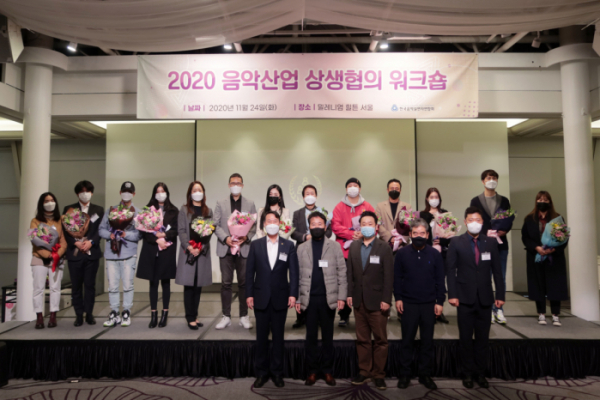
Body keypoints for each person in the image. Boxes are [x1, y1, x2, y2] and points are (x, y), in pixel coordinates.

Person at [446, 206, 505, 389]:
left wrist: (500, 295)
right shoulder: (456, 242)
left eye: (478, 220)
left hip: (485, 298)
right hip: (464, 298)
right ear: (465, 222)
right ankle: (467, 373)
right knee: (465, 339)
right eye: (471, 220)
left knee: (482, 339)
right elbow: (450, 270)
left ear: (483, 222)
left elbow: (497, 271)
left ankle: (480, 373)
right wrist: (452, 294)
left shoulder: (491, 242)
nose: (474, 223)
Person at [246, 210, 299, 388]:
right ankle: (261, 373)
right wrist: (249, 294)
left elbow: (294, 272)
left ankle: (277, 373)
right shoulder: (256, 245)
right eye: (268, 221)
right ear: (263, 225)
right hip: (260, 297)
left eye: (275, 220)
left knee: (278, 338)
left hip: (280, 297)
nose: (272, 223)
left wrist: (293, 294)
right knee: (261, 338)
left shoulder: (288, 245)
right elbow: (249, 272)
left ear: (280, 224)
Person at [296, 211, 346, 386]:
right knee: (310, 337)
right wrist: (297, 299)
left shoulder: (335, 246)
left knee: (327, 337)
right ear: (309, 227)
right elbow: (296, 275)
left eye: (320, 224)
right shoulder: (301, 248)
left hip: (328, 298)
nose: (316, 227)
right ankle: (312, 371)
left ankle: (327, 370)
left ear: (325, 227)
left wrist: (341, 296)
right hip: (308, 298)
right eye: (313, 224)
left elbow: (342, 272)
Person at [395, 218, 445, 390]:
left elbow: (440, 280)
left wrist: (440, 301)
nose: (418, 236)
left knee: (427, 342)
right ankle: (405, 374)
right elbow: (397, 278)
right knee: (407, 341)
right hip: (408, 303)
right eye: (415, 233)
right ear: (410, 234)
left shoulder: (435, 254)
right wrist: (398, 298)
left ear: (427, 235)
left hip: (429, 304)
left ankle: (425, 375)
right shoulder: (402, 253)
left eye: (422, 233)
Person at [346, 211, 393, 391]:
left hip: (378, 301)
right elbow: (350, 273)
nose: (366, 227)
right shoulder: (354, 246)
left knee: (380, 340)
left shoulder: (384, 247)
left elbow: (389, 276)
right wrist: (349, 294)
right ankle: (364, 371)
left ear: (376, 226)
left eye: (370, 224)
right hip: (359, 301)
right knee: (362, 339)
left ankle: (379, 374)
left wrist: (387, 299)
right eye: (363, 224)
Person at [213, 173, 257, 330]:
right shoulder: (220, 203)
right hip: (226, 248)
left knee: (244, 283)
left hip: (243, 249)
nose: (235, 185)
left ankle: (244, 316)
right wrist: (226, 238)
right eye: (233, 183)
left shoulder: (250, 203)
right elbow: (215, 224)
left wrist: (246, 237)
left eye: (238, 183)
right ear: (229, 185)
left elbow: (254, 226)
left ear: (242, 186)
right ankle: (226, 316)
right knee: (226, 283)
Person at [332, 177, 375, 327]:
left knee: (361, 281)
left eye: (355, 185)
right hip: (344, 252)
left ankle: (363, 313)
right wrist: (351, 234)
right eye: (350, 185)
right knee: (344, 282)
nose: (352, 188)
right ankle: (343, 314)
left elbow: (374, 224)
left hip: (363, 250)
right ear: (346, 189)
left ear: (360, 188)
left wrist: (362, 233)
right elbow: (335, 226)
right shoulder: (339, 207)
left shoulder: (367, 205)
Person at [470, 169, 511, 325]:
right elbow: (473, 220)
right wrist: (484, 234)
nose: (491, 180)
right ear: (483, 181)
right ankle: (486, 309)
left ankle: (499, 309)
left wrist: (503, 231)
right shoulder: (476, 200)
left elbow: (509, 219)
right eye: (488, 178)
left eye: (494, 178)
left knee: (501, 277)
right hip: (483, 244)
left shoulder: (504, 200)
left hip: (501, 244)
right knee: (484, 277)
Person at [98, 181, 142, 327]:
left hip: (128, 254)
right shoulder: (111, 210)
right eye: (124, 191)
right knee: (113, 286)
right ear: (120, 192)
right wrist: (110, 234)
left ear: (133, 194)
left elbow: (139, 235)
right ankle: (114, 312)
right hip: (112, 253)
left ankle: (126, 312)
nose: (126, 194)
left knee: (128, 285)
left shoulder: (137, 212)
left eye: (129, 191)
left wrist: (125, 234)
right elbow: (101, 229)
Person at [521, 191, 568, 327]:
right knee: (538, 284)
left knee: (555, 285)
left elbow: (563, 238)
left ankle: (555, 314)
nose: (542, 202)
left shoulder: (558, 218)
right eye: (540, 199)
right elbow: (525, 238)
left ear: (550, 202)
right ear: (536, 201)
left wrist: (553, 249)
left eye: (545, 200)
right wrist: (536, 248)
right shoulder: (529, 218)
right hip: (536, 257)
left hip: (554, 258)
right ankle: (541, 313)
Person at [137, 183, 179, 329]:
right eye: (158, 191)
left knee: (165, 283)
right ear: (154, 194)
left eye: (163, 191)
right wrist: (156, 239)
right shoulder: (147, 209)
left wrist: (164, 235)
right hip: (151, 249)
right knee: (153, 283)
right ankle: (153, 314)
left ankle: (165, 314)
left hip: (167, 250)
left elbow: (176, 230)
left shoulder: (174, 210)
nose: (160, 194)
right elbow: (143, 231)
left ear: (167, 193)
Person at [63, 180, 104, 327]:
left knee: (90, 285)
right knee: (76, 286)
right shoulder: (69, 209)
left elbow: (100, 230)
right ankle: (79, 315)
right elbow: (65, 230)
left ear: (91, 193)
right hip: (75, 253)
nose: (85, 194)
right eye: (82, 192)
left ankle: (89, 314)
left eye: (87, 191)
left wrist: (91, 242)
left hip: (92, 252)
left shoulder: (98, 210)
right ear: (77, 194)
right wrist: (76, 243)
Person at [291, 184, 332, 329]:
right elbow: (292, 232)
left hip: (320, 249)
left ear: (316, 196)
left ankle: (319, 316)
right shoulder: (297, 213)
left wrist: (318, 236)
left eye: (312, 193)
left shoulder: (323, 212)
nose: (309, 195)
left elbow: (329, 231)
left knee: (317, 280)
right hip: (302, 250)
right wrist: (305, 237)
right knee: (302, 280)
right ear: (303, 197)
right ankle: (300, 317)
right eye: (307, 193)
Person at [176, 181, 213, 330]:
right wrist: (190, 247)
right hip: (188, 252)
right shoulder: (184, 209)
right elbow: (181, 230)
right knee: (189, 285)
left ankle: (195, 315)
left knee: (198, 286)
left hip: (202, 253)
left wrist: (201, 247)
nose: (197, 192)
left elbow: (209, 232)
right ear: (190, 193)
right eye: (194, 190)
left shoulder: (208, 211)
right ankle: (189, 317)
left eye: (200, 189)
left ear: (203, 193)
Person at [30, 192, 67, 329]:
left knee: (55, 288)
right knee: (38, 288)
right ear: (42, 203)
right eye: (46, 201)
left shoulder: (60, 220)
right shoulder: (35, 221)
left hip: (57, 258)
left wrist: (57, 254)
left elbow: (63, 241)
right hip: (39, 258)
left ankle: (53, 316)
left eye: (52, 200)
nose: (50, 203)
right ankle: (39, 317)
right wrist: (47, 254)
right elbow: (34, 240)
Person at [419, 187, 450, 324]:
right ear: (427, 199)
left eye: (436, 197)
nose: (434, 199)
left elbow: (451, 233)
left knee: (440, 280)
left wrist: (444, 241)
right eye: (431, 197)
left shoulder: (445, 214)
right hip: (425, 252)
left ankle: (439, 310)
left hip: (441, 253)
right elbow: (418, 232)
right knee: (426, 280)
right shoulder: (422, 214)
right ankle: (427, 310)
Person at [375, 178, 411, 245]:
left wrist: (402, 239)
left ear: (400, 191)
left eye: (397, 189)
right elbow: (378, 224)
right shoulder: (380, 206)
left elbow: (410, 225)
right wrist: (390, 238)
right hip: (385, 244)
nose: (394, 190)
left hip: (402, 245)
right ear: (387, 190)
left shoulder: (407, 207)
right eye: (392, 188)